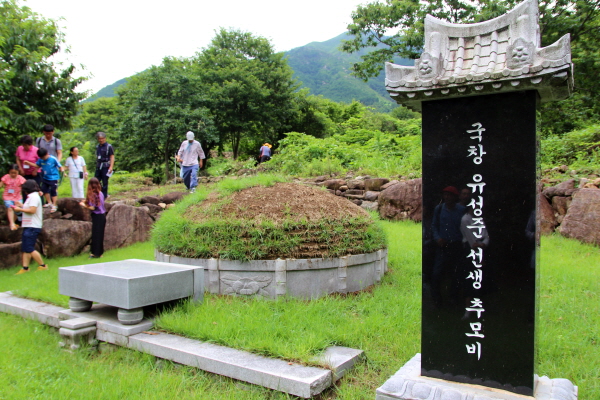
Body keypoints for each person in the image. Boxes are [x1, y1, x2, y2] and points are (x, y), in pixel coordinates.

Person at [13, 180, 48, 274]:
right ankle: (25, 268)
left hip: (33, 226)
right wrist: (21, 205)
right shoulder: (31, 197)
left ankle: (42, 265)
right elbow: (29, 208)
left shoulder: (34, 197)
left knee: (29, 248)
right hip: (28, 225)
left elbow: (32, 210)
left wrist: (20, 209)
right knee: (25, 247)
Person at [24, 148, 64, 213]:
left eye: (43, 157)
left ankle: (54, 205)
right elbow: (37, 165)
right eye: (41, 157)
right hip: (45, 177)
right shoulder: (41, 160)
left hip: (53, 177)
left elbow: (59, 165)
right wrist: (29, 163)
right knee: (44, 190)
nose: (43, 158)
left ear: (47, 154)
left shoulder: (53, 159)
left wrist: (62, 170)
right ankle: (49, 202)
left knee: (53, 191)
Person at [80, 178, 106, 258]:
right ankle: (99, 252)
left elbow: (93, 207)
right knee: (99, 235)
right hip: (102, 215)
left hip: (97, 216)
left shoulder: (93, 194)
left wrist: (83, 205)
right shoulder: (100, 193)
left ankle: (96, 253)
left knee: (96, 235)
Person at [1, 164, 26, 230]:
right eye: (11, 173)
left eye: (15, 173)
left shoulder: (20, 178)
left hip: (17, 197)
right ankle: (12, 223)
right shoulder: (6, 177)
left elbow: (27, 186)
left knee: (16, 210)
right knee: (10, 208)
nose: (13, 174)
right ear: (9, 172)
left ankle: (12, 223)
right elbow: (1, 184)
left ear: (18, 172)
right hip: (7, 196)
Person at [95, 132, 114, 199]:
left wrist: (111, 166)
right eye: (99, 138)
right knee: (96, 180)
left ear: (105, 138)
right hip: (98, 165)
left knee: (105, 181)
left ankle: (104, 195)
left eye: (102, 138)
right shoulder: (97, 147)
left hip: (106, 165)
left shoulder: (109, 146)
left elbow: (112, 156)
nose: (101, 140)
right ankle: (98, 194)